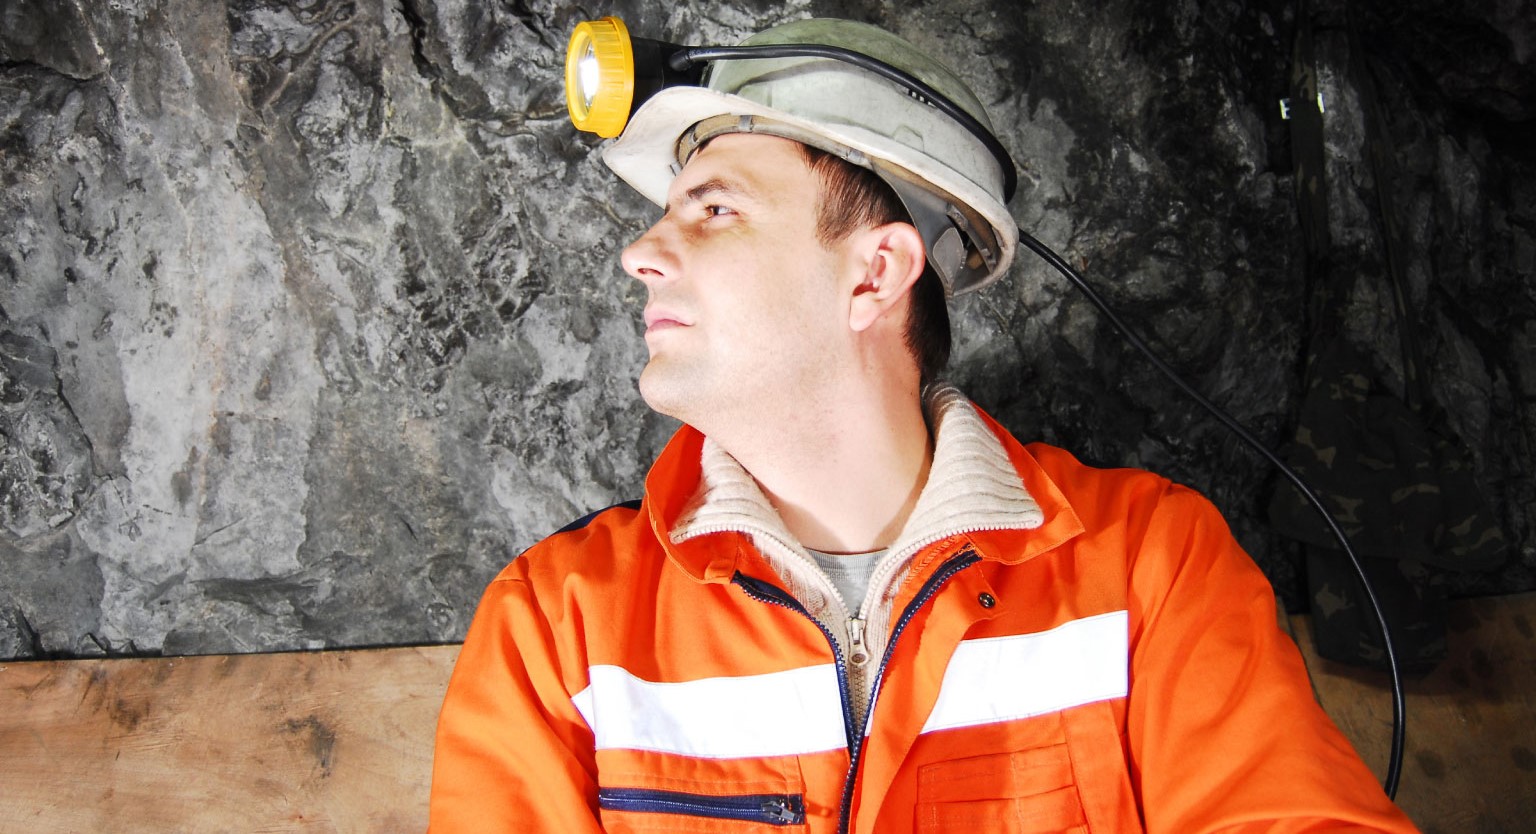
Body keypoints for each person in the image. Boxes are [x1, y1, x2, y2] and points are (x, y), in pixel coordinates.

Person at [428, 17, 1419, 834]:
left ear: (874, 273)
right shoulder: (559, 625)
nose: (643, 249)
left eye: (713, 209)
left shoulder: (1150, 568)